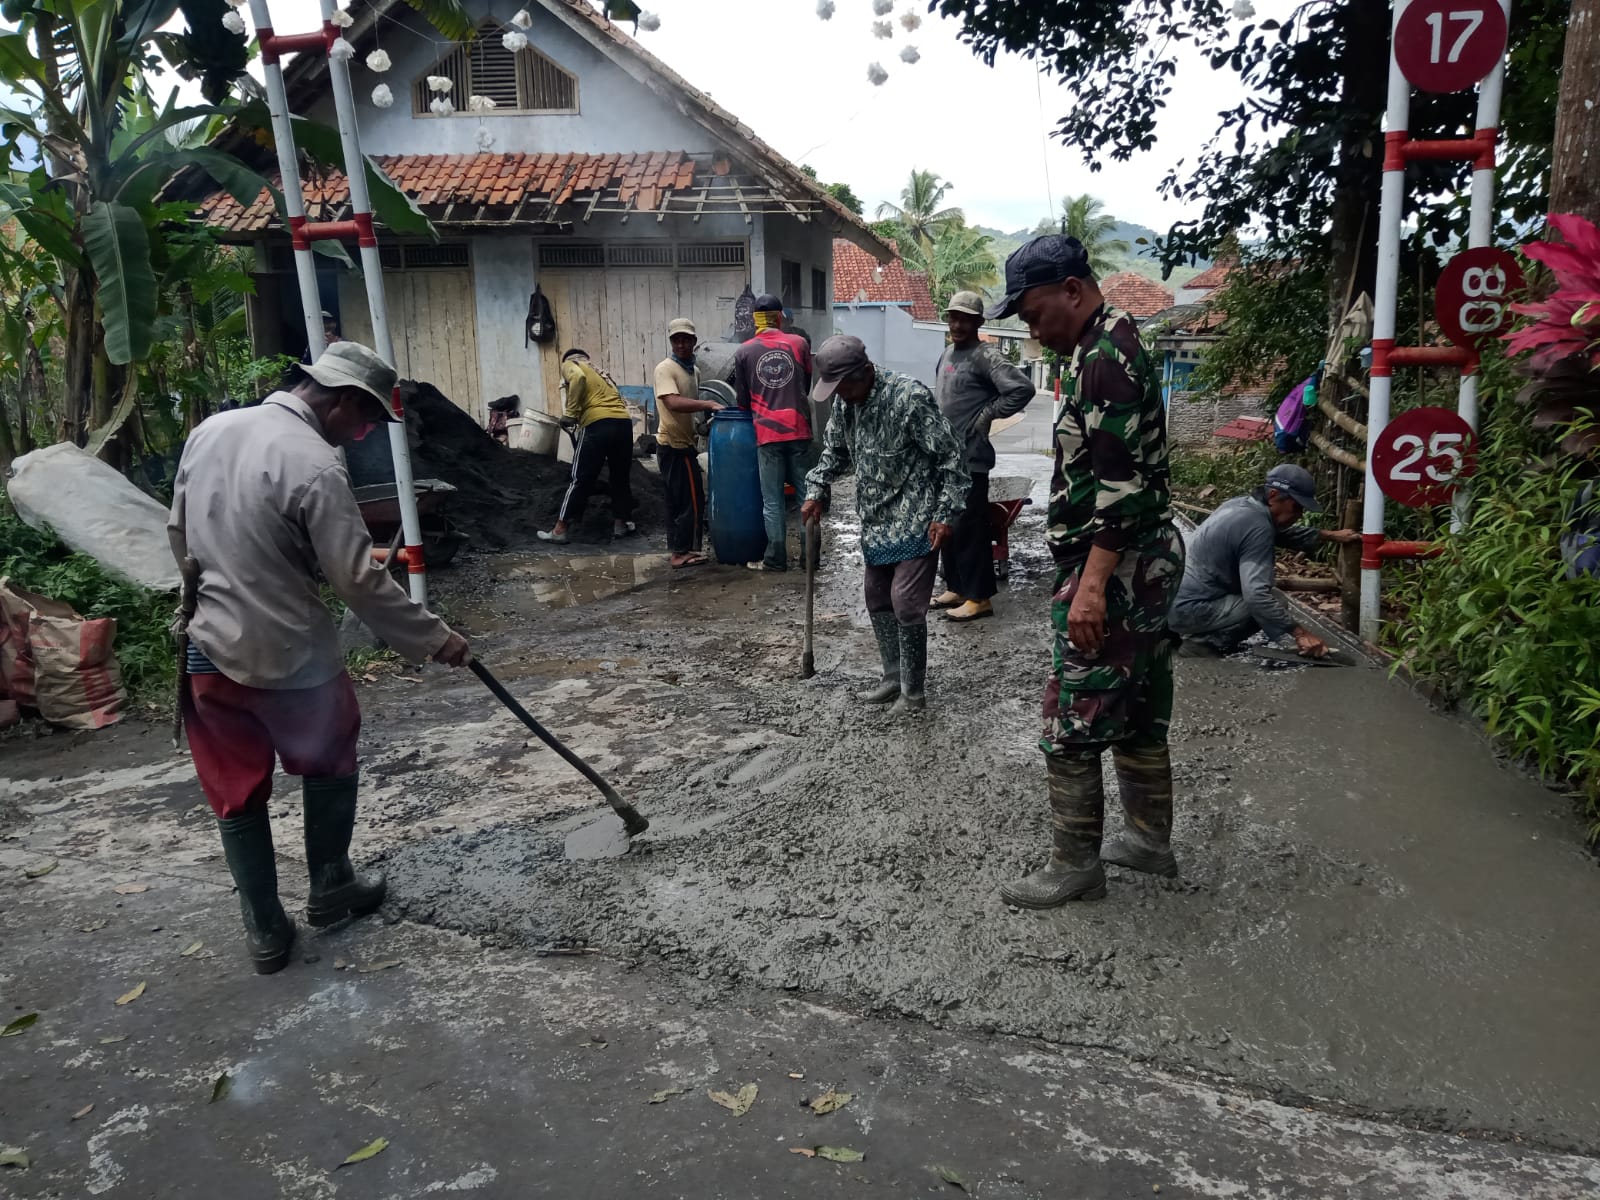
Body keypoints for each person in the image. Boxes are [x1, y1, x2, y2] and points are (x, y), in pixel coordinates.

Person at [167, 340, 472, 975]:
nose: (362, 432)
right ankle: (331, 887)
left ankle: (265, 930)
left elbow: (178, 531)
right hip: (290, 654)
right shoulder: (316, 464)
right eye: (363, 419)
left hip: (206, 649)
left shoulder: (209, 432)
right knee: (330, 758)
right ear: (338, 401)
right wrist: (433, 637)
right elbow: (358, 579)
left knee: (233, 788)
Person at [984, 235, 1185, 909]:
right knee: (1138, 709)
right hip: (1146, 558)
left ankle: (1076, 866)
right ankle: (1149, 843)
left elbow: (1120, 488)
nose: (1032, 329)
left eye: (1036, 312)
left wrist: (1093, 586)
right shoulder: (1108, 345)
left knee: (1072, 717)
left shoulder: (1103, 359)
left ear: (1073, 290)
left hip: (1118, 564)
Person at [800, 335, 969, 714]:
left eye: (844, 386)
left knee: (906, 604)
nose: (841, 395)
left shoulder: (909, 399)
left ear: (866, 372)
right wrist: (816, 487)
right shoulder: (847, 405)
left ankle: (914, 691)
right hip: (876, 518)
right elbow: (835, 452)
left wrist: (945, 512)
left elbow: (951, 459)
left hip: (917, 517)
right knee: (876, 598)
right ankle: (892, 677)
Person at [1169, 464, 1358, 658]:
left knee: (1261, 600)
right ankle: (1201, 644)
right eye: (1296, 507)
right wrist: (1300, 634)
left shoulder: (1241, 506)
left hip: (1168, 602)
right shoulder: (1257, 526)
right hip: (1188, 609)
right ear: (1274, 495)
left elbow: (1280, 534)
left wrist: (1328, 535)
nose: (1299, 515)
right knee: (1274, 600)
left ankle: (1175, 634)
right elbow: (1256, 596)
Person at [930, 290, 1038, 622]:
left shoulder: (985, 356)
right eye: (953, 317)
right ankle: (958, 587)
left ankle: (980, 598)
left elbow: (1023, 389)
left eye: (965, 319)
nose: (958, 324)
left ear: (979, 322)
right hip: (945, 458)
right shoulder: (948, 353)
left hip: (971, 457)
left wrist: (988, 413)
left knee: (970, 527)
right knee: (949, 523)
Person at [735, 293, 815, 572]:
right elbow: (805, 383)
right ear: (780, 317)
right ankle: (809, 561)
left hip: (767, 436)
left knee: (773, 501)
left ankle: (776, 560)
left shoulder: (744, 351)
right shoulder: (799, 344)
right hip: (799, 429)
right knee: (808, 497)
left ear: (755, 319)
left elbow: (742, 402)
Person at [539, 348, 637, 544]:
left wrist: (571, 413)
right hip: (624, 424)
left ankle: (560, 530)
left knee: (580, 479)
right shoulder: (602, 372)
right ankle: (620, 525)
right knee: (620, 477)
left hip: (597, 424)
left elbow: (579, 379)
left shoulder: (571, 365)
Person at [653, 317, 723, 569]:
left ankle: (679, 550)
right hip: (673, 446)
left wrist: (700, 426)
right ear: (671, 342)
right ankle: (682, 552)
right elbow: (672, 402)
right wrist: (708, 404)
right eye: (676, 340)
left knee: (679, 500)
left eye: (686, 339)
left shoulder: (693, 370)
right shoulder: (665, 368)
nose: (681, 344)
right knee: (691, 500)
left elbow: (689, 409)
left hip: (685, 443)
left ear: (694, 341)